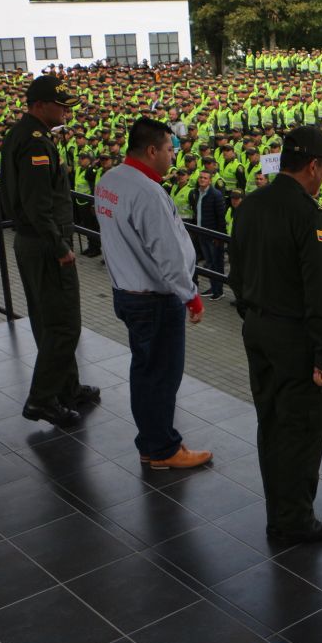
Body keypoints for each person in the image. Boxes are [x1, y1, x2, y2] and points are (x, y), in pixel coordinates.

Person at [227, 125, 322, 545]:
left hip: (257, 328)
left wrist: (252, 313)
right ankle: (295, 519)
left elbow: (236, 271)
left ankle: (279, 512)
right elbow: (319, 293)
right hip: (294, 338)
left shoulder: (251, 205)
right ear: (314, 166)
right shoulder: (309, 215)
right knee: (302, 429)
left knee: (271, 423)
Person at [95, 117, 213, 470]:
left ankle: (150, 443)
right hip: (154, 299)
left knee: (145, 371)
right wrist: (190, 294)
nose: (172, 156)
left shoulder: (111, 179)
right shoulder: (147, 192)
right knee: (162, 375)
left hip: (127, 292)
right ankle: (163, 449)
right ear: (151, 150)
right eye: (167, 149)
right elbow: (168, 252)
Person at [0, 76, 98, 428]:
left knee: (48, 319)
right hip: (45, 244)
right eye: (60, 104)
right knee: (64, 324)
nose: (65, 111)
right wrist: (59, 246)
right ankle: (41, 399)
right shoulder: (37, 144)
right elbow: (37, 204)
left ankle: (66, 387)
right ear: (39, 105)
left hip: (32, 242)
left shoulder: (21, 134)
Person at [189, 169, 227, 300]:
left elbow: (221, 217)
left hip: (213, 235)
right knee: (209, 263)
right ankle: (213, 287)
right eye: (200, 177)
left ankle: (219, 290)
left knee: (217, 263)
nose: (202, 180)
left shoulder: (215, 195)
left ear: (210, 181)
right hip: (201, 233)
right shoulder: (196, 193)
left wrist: (219, 236)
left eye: (205, 178)